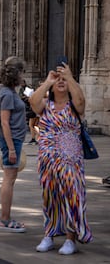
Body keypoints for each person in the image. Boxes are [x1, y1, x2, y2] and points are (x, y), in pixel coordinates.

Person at [30, 62, 92, 254]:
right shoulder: (45, 105)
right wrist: (48, 82)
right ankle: (49, 234)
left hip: (70, 161)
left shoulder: (74, 106)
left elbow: (81, 100)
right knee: (50, 197)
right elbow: (33, 102)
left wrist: (70, 77)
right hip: (47, 160)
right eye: (59, 79)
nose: (61, 82)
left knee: (72, 197)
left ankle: (70, 239)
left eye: (64, 79)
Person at [0, 56, 27, 233]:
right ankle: (5, 220)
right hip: (11, 140)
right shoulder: (7, 94)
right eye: (22, 72)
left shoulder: (9, 91)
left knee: (10, 178)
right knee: (9, 179)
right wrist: (10, 149)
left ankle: (6, 218)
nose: (23, 76)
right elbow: (5, 122)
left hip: (14, 139)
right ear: (16, 74)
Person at [19, 80, 38, 144]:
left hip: (32, 110)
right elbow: (20, 96)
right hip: (30, 110)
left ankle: (35, 138)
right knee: (32, 125)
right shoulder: (21, 89)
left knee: (32, 125)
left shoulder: (29, 89)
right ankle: (34, 138)